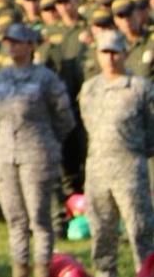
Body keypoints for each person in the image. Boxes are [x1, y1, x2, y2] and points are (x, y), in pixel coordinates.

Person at [0, 23, 75, 277]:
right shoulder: (2, 76)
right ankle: (20, 270)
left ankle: (41, 270)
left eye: (17, 41)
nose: (12, 46)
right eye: (9, 41)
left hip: (36, 153)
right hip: (6, 154)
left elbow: (65, 117)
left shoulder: (45, 77)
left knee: (39, 218)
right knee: (15, 218)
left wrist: (47, 141)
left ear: (30, 45)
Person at [79, 30, 154, 277]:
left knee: (140, 231)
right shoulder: (90, 89)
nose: (110, 58)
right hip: (98, 170)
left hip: (130, 169)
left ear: (125, 53)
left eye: (115, 52)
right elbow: (86, 123)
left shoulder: (141, 88)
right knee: (101, 232)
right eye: (104, 52)